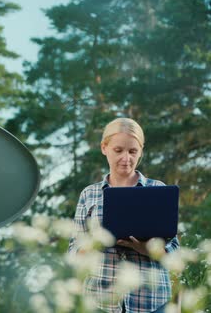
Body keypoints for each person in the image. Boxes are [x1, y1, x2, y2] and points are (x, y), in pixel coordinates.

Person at [68, 118, 180, 313]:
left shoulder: (157, 190)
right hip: (100, 302)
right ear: (104, 147)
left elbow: (175, 253)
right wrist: (95, 243)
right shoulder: (89, 194)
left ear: (141, 151)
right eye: (118, 150)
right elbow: (73, 252)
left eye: (133, 151)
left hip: (150, 302)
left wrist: (148, 249)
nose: (126, 158)